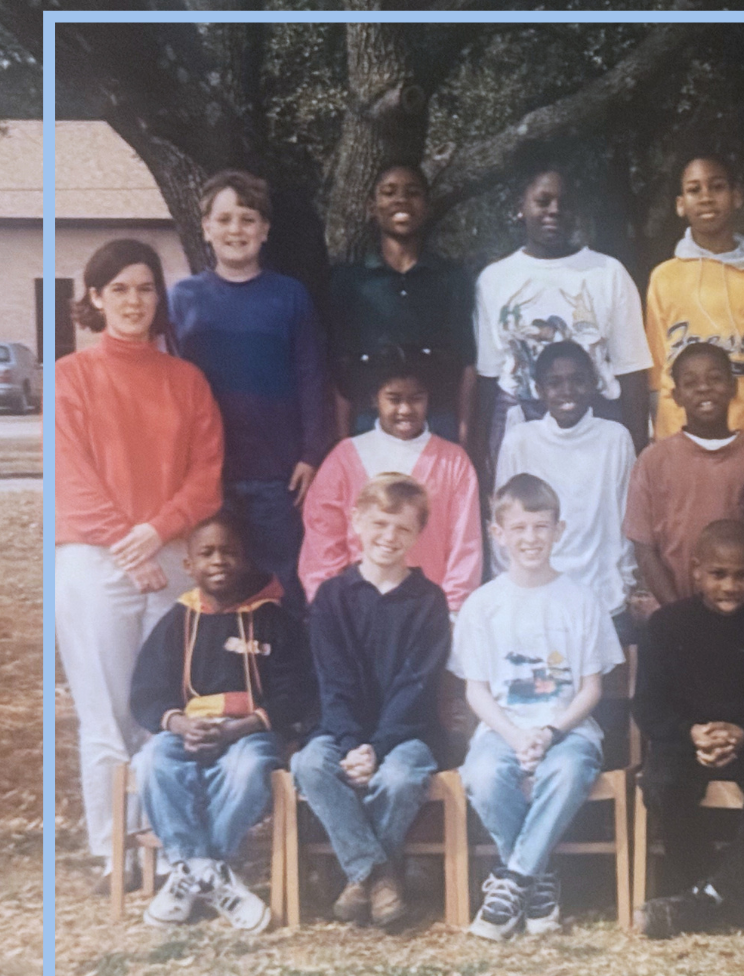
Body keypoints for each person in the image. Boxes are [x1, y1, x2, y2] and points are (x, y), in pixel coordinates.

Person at [55, 238, 225, 892]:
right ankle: (114, 855)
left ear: (160, 300)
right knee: (105, 713)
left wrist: (157, 533)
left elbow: (206, 478)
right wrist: (130, 545)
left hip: (169, 558)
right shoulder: (74, 375)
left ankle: (168, 843)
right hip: (96, 564)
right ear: (95, 297)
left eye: (145, 289)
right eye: (119, 288)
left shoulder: (187, 381)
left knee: (166, 712)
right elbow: (72, 474)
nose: (133, 301)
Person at [451, 474, 624, 940]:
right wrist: (515, 737)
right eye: (520, 528)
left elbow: (590, 690)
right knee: (482, 775)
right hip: (502, 731)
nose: (531, 539)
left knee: (565, 773)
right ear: (498, 533)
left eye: (541, 527)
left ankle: (513, 881)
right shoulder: (482, 605)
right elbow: (477, 691)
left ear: (559, 530)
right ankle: (537, 881)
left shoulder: (582, 601)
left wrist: (548, 734)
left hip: (568, 731)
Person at [130, 513, 317, 932]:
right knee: (152, 761)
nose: (218, 561)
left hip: (248, 732)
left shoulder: (274, 619)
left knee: (250, 768)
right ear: (188, 566)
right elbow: (147, 691)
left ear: (247, 559)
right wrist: (178, 725)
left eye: (229, 552)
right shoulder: (178, 621)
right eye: (207, 553)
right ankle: (205, 869)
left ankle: (196, 871)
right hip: (188, 733)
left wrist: (241, 727)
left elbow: (298, 692)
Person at [633, 521, 744, 938]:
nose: (730, 585)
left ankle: (699, 901)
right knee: (660, 783)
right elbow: (647, 706)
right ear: (696, 570)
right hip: (687, 741)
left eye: (742, 575)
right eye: (718, 574)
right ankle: (726, 894)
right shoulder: (666, 626)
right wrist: (692, 734)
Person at [290, 475, 454, 929]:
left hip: (408, 734)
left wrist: (376, 749)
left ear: (418, 535)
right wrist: (351, 745)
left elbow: (415, 686)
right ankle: (379, 873)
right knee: (309, 766)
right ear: (357, 521)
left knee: (402, 777)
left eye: (403, 529)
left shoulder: (429, 601)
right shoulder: (332, 597)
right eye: (380, 523)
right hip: (339, 731)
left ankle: (359, 880)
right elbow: (334, 681)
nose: (389, 537)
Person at [169, 169, 331, 616]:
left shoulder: (289, 296)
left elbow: (312, 375)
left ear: (264, 230)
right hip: (209, 475)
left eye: (247, 219)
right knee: (219, 585)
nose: (235, 230)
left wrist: (312, 452)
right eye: (224, 220)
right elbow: (169, 388)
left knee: (283, 583)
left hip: (278, 474)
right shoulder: (183, 299)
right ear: (205, 228)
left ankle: (288, 680)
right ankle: (226, 679)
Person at [471, 163, 651, 475]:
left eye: (564, 204)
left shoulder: (608, 273)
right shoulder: (494, 279)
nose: (554, 210)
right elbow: (487, 377)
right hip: (519, 424)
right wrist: (480, 452)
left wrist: (636, 451)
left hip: (596, 422)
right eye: (543, 201)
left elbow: (632, 373)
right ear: (521, 208)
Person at [298, 357, 482, 615]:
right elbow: (322, 541)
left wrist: (452, 611)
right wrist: (329, 607)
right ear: (375, 399)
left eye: (415, 398)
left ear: (428, 399)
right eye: (394, 399)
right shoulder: (344, 457)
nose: (405, 409)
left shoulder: (453, 461)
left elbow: (465, 543)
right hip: (355, 609)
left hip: (427, 611)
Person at [646, 153, 744, 450]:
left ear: (736, 196)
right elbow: (657, 365)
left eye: (717, 187)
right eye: (694, 190)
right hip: (680, 435)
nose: (706, 198)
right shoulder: (664, 276)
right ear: (680, 204)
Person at [494, 340, 637, 637]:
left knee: (603, 684)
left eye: (578, 380)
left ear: (594, 384)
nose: (567, 391)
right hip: (535, 599)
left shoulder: (614, 438)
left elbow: (627, 518)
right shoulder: (520, 441)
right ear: (539, 389)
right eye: (555, 383)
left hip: (604, 599)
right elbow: (504, 522)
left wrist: (624, 583)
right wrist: (511, 588)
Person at [329, 162, 476, 443]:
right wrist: (342, 442)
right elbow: (340, 368)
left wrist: (465, 436)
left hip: (438, 422)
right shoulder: (350, 282)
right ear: (372, 206)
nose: (401, 200)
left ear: (427, 206)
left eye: (412, 192)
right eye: (389, 192)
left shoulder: (450, 278)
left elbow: (466, 364)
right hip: (369, 424)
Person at [624, 343, 744, 610]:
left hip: (740, 611)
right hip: (675, 609)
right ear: (677, 395)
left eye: (715, 379)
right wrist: (677, 612)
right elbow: (644, 548)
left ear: (733, 387)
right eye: (691, 383)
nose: (704, 388)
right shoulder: (653, 460)